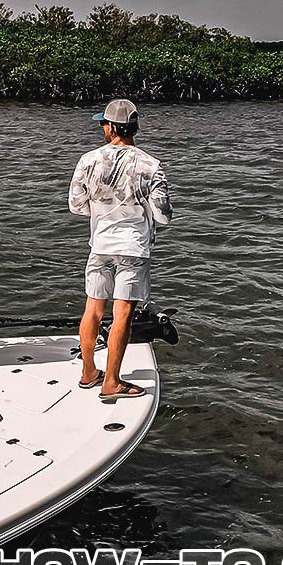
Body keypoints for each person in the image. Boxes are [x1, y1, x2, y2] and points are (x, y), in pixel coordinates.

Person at [68, 98, 173, 401]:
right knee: (122, 314)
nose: (102, 127)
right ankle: (112, 381)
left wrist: (104, 210)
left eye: (103, 123)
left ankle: (89, 373)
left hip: (99, 244)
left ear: (113, 127)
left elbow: (76, 206)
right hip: (133, 248)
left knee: (93, 309)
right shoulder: (151, 165)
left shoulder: (88, 160)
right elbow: (164, 216)